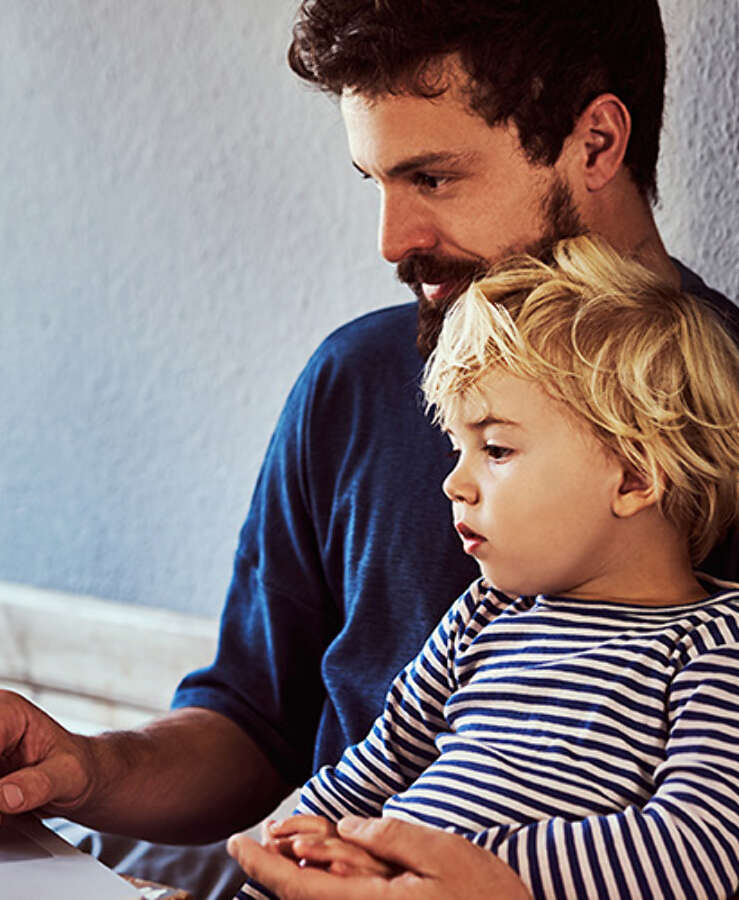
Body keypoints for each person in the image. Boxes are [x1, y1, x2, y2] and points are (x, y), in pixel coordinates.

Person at [0, 1, 737, 897]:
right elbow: (255, 727)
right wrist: (83, 769)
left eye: (432, 177)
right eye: (376, 181)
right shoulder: (356, 376)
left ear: (595, 143)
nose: (392, 243)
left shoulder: (703, 433)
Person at [231, 235, 739, 900]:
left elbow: (698, 848)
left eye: (495, 449)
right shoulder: (480, 616)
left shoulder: (712, 648)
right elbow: (376, 766)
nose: (453, 484)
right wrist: (286, 839)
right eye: (456, 447)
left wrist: (468, 867)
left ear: (635, 476)